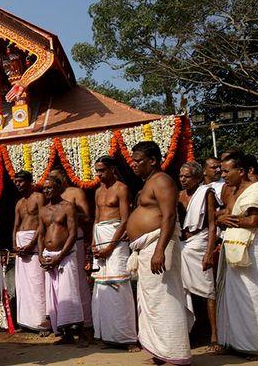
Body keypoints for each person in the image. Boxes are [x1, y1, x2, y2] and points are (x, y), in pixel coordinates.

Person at [127, 141, 192, 365]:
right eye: (132, 160)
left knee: (166, 300)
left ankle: (176, 354)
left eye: (138, 161)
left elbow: (169, 216)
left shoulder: (162, 180)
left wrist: (159, 250)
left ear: (152, 161)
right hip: (147, 248)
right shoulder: (148, 183)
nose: (132, 164)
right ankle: (160, 351)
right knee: (153, 303)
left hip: (159, 247)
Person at [215, 151, 258, 361]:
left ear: (241, 171)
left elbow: (254, 221)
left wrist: (226, 219)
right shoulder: (231, 191)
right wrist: (222, 219)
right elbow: (222, 215)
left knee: (254, 296)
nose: (222, 174)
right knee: (232, 297)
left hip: (251, 247)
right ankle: (234, 342)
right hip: (232, 247)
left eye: (226, 170)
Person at [89, 156, 138, 351]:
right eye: (97, 171)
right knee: (102, 287)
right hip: (100, 237)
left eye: (101, 170)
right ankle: (108, 335)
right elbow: (96, 218)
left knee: (119, 284)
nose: (98, 175)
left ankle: (127, 338)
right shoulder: (98, 191)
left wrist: (110, 247)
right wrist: (94, 242)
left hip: (116, 241)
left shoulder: (121, 188)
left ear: (112, 169)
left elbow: (125, 219)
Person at [37, 176, 88, 347]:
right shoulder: (43, 210)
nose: (47, 191)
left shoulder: (68, 207)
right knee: (55, 296)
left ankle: (80, 334)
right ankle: (65, 335)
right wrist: (40, 255)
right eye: (44, 188)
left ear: (59, 189)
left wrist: (60, 256)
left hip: (65, 256)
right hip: (49, 256)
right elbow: (41, 235)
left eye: (50, 188)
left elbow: (73, 234)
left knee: (70, 294)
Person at [177, 161, 219, 350]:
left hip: (200, 242)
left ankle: (214, 336)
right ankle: (188, 333)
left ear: (197, 177)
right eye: (181, 176)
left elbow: (212, 224)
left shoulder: (206, 193)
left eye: (187, 177)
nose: (183, 180)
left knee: (207, 290)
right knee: (183, 289)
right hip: (183, 245)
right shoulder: (178, 196)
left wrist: (209, 252)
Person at [49, 168, 93, 332]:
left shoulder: (75, 192)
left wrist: (70, 213)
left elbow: (87, 217)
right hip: (55, 248)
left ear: (63, 177)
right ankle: (65, 324)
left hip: (75, 241)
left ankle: (85, 323)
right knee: (59, 286)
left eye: (56, 178)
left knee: (78, 281)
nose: (53, 182)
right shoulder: (51, 198)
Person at [11, 170, 51, 335]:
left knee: (37, 284)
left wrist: (32, 243)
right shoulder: (19, 202)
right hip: (21, 243)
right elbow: (15, 225)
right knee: (23, 286)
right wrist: (14, 243)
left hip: (34, 243)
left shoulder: (38, 197)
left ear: (29, 181)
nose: (18, 184)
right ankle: (26, 322)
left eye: (20, 181)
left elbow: (42, 224)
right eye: (16, 182)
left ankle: (43, 324)